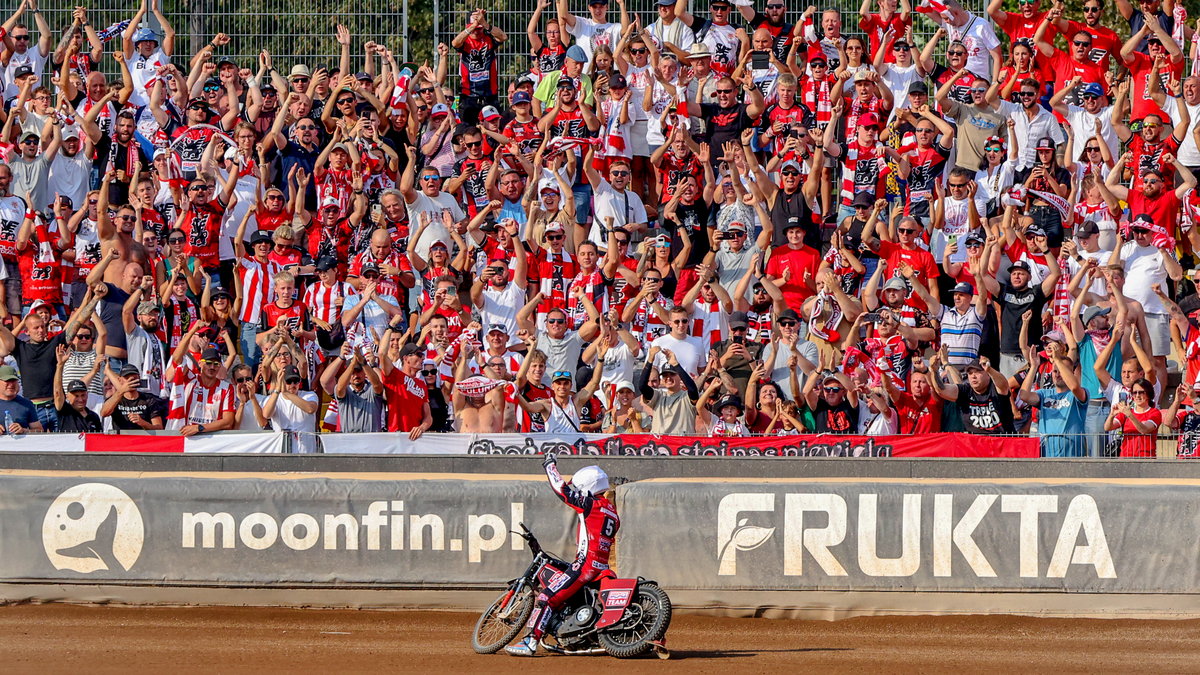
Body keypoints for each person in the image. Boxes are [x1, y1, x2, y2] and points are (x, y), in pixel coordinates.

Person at [506, 453, 617, 657]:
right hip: (601, 567)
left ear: (587, 487)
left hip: (585, 565)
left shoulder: (590, 504)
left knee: (547, 596)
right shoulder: (611, 511)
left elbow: (562, 490)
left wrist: (550, 466)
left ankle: (530, 641)